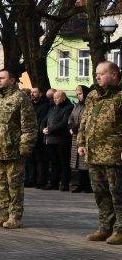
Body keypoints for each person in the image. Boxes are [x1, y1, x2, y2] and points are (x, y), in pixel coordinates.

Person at [76, 61, 122, 244]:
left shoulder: (119, 97)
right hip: (94, 154)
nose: (97, 76)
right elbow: (84, 120)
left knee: (117, 193)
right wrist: (81, 142)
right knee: (100, 193)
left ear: (114, 75)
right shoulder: (93, 96)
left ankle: (120, 229)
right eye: (96, 74)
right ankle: (105, 227)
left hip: (114, 155)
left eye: (102, 73)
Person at [0, 69, 36, 230]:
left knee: (14, 186)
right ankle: (4, 214)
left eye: (2, 78)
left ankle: (15, 216)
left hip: (13, 150)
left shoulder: (21, 98)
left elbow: (29, 126)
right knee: (1, 185)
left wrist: (25, 148)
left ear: (12, 80)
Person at [43, 90, 74, 191]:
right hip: (50, 139)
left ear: (63, 97)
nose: (55, 99)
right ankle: (53, 182)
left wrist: (50, 129)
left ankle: (64, 183)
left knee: (64, 162)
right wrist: (43, 128)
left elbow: (64, 122)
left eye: (57, 98)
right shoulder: (52, 107)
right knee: (54, 162)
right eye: (54, 98)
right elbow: (46, 119)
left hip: (62, 140)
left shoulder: (69, 107)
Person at [24, 87, 51, 189]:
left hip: (39, 136)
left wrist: (38, 130)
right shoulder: (30, 105)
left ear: (40, 93)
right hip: (29, 135)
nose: (32, 94)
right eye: (31, 92)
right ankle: (31, 179)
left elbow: (42, 120)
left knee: (41, 160)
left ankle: (41, 180)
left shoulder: (45, 105)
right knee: (30, 159)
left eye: (35, 92)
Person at [69, 84, 92, 193]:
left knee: (84, 161)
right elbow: (71, 118)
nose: (78, 96)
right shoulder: (77, 106)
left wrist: (77, 127)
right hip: (75, 137)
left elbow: (88, 120)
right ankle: (79, 184)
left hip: (84, 136)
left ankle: (87, 185)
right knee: (77, 162)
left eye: (80, 94)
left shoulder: (89, 104)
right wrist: (70, 127)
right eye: (77, 94)